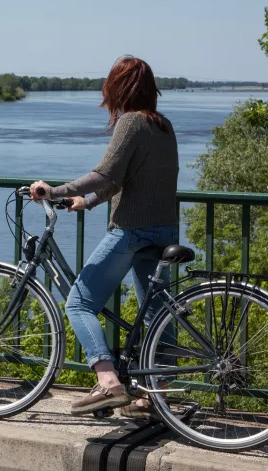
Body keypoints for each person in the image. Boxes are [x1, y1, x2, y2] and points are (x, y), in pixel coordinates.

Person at [30, 55, 178, 418]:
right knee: (157, 316)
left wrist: (55, 191)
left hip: (131, 230)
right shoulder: (163, 126)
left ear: (119, 89)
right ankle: (154, 396)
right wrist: (89, 201)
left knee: (79, 303)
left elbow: (106, 172)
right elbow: (125, 179)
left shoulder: (130, 122)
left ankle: (109, 383)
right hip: (164, 229)